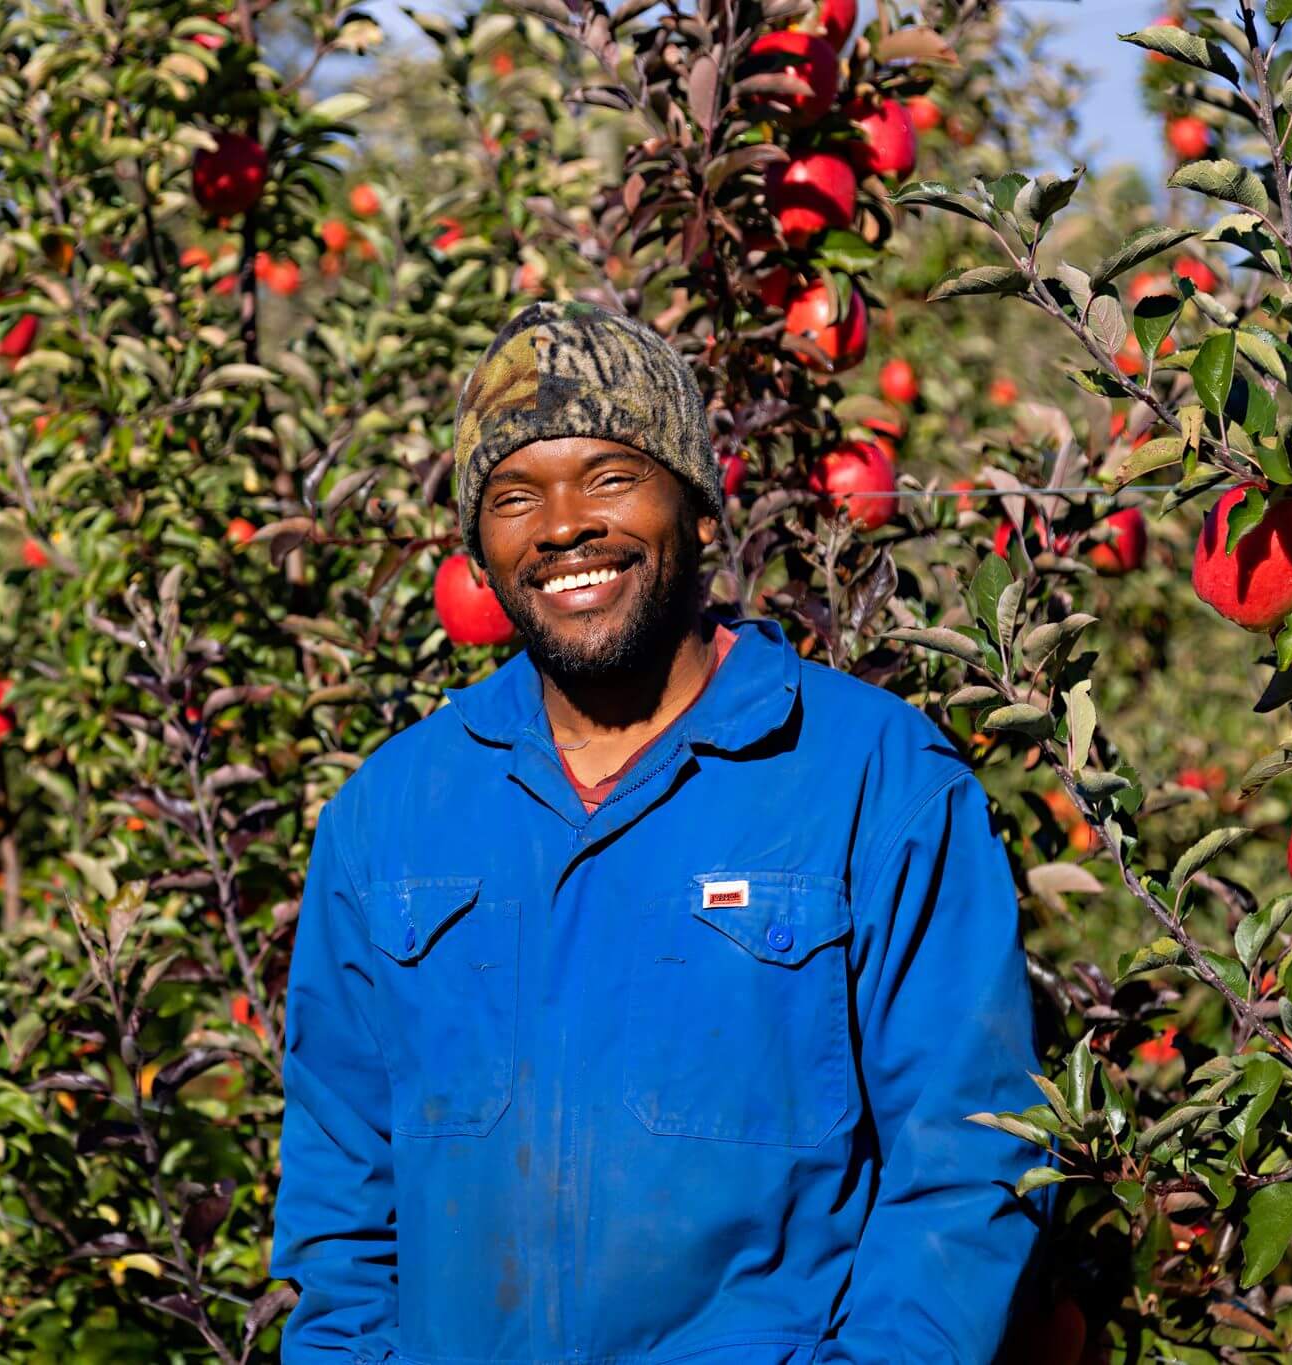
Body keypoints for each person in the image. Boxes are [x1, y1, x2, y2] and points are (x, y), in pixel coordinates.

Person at [271, 299, 1047, 1364]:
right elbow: (340, 1193)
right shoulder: (389, 816)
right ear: (479, 549)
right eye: (512, 496)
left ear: (696, 508)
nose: (560, 527)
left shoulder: (873, 780)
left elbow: (966, 1157)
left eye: (608, 477)